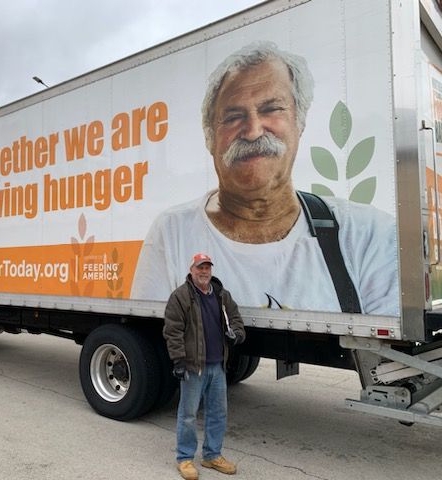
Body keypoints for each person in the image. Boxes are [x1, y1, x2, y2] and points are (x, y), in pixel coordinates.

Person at [131, 41, 398, 316]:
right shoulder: (172, 232)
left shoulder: (368, 234)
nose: (253, 131)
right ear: (210, 136)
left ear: (300, 122)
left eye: (271, 109)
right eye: (234, 116)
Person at [164, 253, 245, 480]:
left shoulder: (221, 295)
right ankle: (185, 458)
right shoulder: (181, 296)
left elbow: (237, 319)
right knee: (188, 414)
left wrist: (236, 335)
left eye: (207, 267)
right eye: (200, 267)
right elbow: (173, 331)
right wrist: (178, 361)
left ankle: (212, 455)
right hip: (193, 367)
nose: (204, 272)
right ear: (192, 270)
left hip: (218, 366)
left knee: (218, 413)